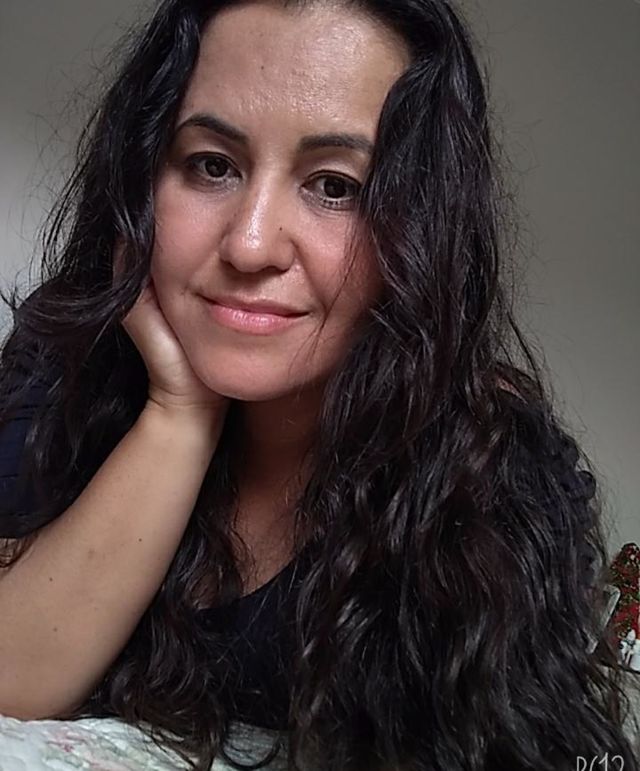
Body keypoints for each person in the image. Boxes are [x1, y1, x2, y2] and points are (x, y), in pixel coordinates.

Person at [0, 0, 637, 769]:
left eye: (335, 185)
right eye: (212, 165)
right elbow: (12, 674)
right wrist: (179, 414)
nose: (251, 244)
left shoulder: (495, 480)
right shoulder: (63, 367)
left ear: (422, 228)